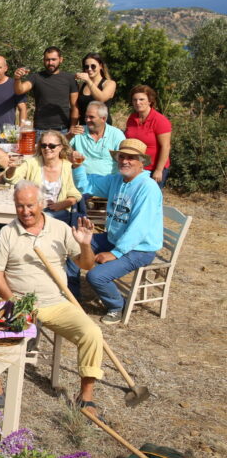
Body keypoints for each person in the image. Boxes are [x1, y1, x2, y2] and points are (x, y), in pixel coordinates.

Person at [0, 182, 103, 416]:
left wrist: (85, 245)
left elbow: (86, 264)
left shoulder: (60, 229)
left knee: (92, 333)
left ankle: (86, 398)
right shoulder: (7, 233)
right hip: (17, 302)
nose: (25, 212)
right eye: (20, 206)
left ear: (42, 204)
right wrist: (14, 302)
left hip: (56, 304)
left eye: (30, 206)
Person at [67, 139, 163, 324]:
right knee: (73, 249)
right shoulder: (117, 180)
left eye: (131, 158)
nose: (125, 161)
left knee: (96, 276)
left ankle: (118, 306)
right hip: (114, 238)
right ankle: (72, 296)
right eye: (122, 156)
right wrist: (78, 166)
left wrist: (115, 253)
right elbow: (85, 186)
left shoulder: (148, 188)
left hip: (139, 248)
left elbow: (139, 228)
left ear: (141, 162)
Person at [4, 130, 83, 224]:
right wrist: (12, 168)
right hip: (32, 209)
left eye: (52, 146)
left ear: (61, 147)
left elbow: (75, 194)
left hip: (59, 212)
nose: (47, 148)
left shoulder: (68, 166)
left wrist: (60, 205)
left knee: (42, 219)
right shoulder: (32, 163)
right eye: (43, 145)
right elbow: (12, 179)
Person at [13, 47, 78, 137]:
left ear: (61, 59)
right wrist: (17, 78)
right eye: (47, 60)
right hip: (40, 130)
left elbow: (75, 106)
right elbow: (19, 90)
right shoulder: (36, 77)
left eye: (53, 59)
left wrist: (73, 127)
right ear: (43, 60)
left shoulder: (70, 78)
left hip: (63, 130)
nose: (50, 63)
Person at [124, 85, 171, 186]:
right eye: (134, 100)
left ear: (149, 101)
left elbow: (165, 146)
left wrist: (159, 170)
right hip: (135, 168)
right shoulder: (132, 118)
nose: (138, 103)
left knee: (150, 199)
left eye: (141, 99)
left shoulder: (159, 120)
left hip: (153, 169)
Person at [68, 101, 125, 176]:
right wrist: (69, 136)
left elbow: (124, 159)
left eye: (91, 117)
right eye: (86, 117)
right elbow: (60, 148)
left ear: (103, 119)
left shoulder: (116, 134)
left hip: (108, 180)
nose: (87, 120)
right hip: (83, 179)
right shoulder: (79, 131)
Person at [75, 53, 116, 123]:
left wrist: (88, 80)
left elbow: (101, 99)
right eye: (86, 67)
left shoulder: (109, 83)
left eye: (93, 66)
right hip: (85, 127)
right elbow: (76, 107)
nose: (89, 69)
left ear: (100, 66)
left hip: (102, 128)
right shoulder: (82, 85)